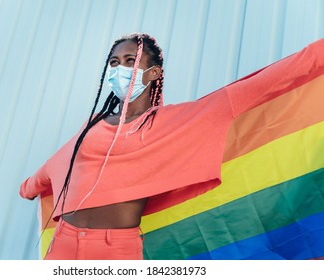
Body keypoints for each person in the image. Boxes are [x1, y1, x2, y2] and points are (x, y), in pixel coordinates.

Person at [19, 33, 324, 260]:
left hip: (113, 249)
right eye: (114, 62)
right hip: (64, 243)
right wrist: (29, 187)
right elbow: (55, 165)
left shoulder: (174, 121)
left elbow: (269, 81)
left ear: (153, 74)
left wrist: (317, 54)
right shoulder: (92, 126)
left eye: (130, 62)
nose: (118, 69)